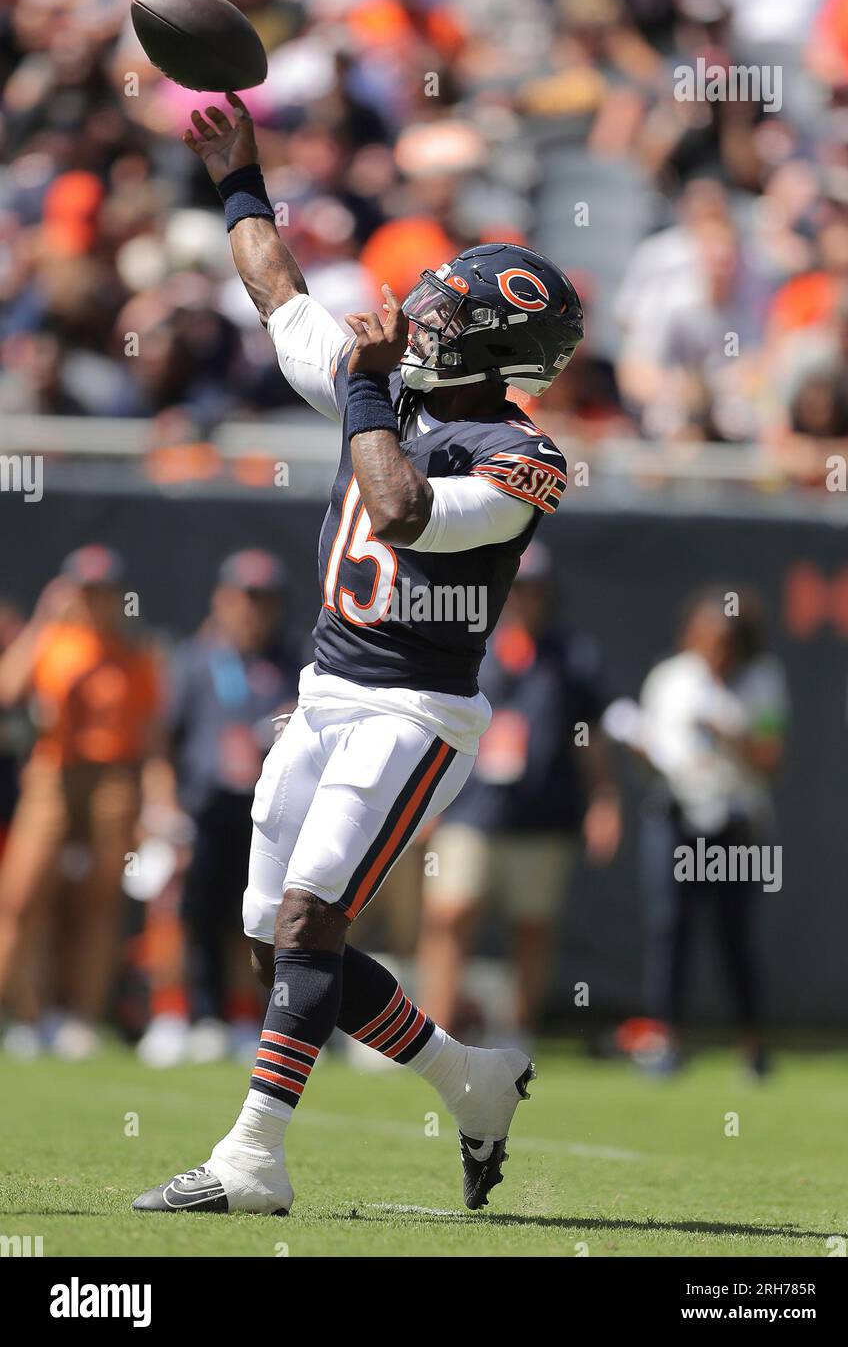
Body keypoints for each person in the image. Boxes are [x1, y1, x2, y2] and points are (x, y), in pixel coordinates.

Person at [133, 92, 584, 1216]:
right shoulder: (380, 382)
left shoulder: (523, 456)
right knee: (271, 939)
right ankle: (469, 1077)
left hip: (414, 713)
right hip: (324, 692)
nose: (418, 316)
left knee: (307, 918)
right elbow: (275, 288)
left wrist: (370, 385)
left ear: (493, 348)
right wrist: (241, 177)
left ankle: (251, 1162)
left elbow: (400, 512)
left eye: (446, 314)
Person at [418, 542, 621, 1045]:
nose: (524, 597)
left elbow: (590, 735)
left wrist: (605, 799)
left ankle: (518, 1033)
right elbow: (436, 724)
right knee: (449, 913)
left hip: (542, 812)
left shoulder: (573, 656)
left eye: (534, 589)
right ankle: (432, 1033)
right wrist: (424, 801)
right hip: (470, 808)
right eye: (517, 587)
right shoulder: (469, 642)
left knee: (532, 926)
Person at [137, 550, 300, 1068]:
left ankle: (244, 1016)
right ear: (222, 600)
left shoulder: (290, 662)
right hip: (201, 813)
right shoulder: (192, 660)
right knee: (183, 916)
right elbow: (161, 744)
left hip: (265, 815)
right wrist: (162, 810)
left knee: (254, 918)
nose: (254, 611)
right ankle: (177, 1014)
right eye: (246, 598)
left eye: (265, 600)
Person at [0, 546, 160, 1059]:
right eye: (85, 592)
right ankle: (22, 1014)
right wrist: (45, 619)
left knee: (98, 903)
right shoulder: (51, 641)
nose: (94, 603)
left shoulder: (134, 654)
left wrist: (154, 801)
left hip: (112, 777)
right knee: (22, 897)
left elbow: (149, 738)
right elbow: (8, 690)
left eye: (103, 593)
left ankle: (81, 1019)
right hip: (52, 771)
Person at [624, 588, 788, 1075]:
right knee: (669, 926)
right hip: (675, 817)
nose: (717, 653)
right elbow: (651, 755)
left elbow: (771, 760)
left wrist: (730, 732)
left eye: (727, 643)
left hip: (734, 823)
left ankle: (753, 1046)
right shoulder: (670, 678)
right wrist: (644, 753)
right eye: (709, 640)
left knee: (735, 935)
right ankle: (663, 1042)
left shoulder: (762, 681)